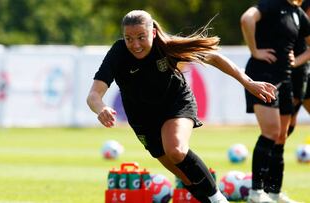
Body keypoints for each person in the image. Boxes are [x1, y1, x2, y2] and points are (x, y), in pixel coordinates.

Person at [87, 10, 276, 203]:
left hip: (176, 103)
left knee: (176, 149)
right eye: (129, 38)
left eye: (141, 37)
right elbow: (94, 94)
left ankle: (220, 201)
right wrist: (101, 108)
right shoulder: (118, 53)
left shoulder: (166, 47)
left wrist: (248, 82)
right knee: (186, 177)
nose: (135, 44)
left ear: (152, 32)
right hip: (143, 120)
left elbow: (214, 58)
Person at [240, 0, 310, 202]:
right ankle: (256, 192)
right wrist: (255, 51)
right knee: (270, 132)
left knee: (281, 136)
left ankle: (274, 192)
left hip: (285, 78)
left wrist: (296, 61)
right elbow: (246, 19)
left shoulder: (297, 13)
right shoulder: (271, 4)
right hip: (263, 75)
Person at [289, 0, 310, 136]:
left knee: (289, 117)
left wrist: (295, 62)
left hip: (300, 72)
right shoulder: (290, 11)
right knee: (288, 119)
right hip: (286, 72)